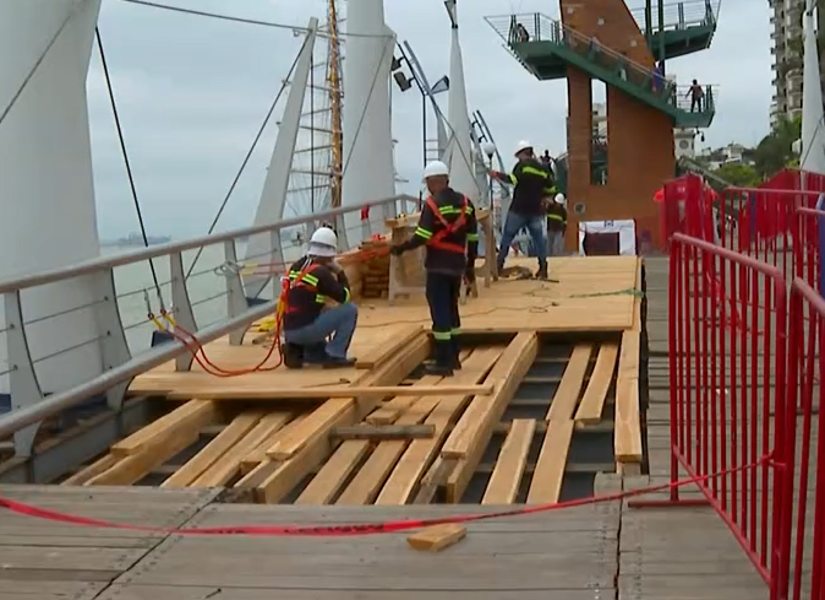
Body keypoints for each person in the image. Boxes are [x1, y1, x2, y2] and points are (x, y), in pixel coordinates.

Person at [390, 160, 478, 376]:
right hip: (457, 265)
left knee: (439, 313)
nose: (428, 187)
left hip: (438, 265)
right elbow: (473, 237)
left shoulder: (432, 204)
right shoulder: (466, 203)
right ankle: (455, 356)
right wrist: (470, 266)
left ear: (432, 181)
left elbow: (422, 236)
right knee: (452, 308)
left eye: (428, 183)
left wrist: (401, 248)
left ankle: (443, 361)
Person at [281, 227, 357, 369]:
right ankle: (336, 355)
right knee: (350, 310)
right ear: (329, 255)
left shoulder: (296, 266)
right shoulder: (321, 273)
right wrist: (340, 273)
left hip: (289, 330)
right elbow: (345, 297)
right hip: (306, 330)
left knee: (318, 311)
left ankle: (300, 351)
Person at [490, 140, 555, 279]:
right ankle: (543, 268)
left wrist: (497, 175)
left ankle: (498, 266)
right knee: (539, 240)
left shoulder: (522, 166)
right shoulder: (542, 168)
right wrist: (544, 199)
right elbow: (550, 188)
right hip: (535, 210)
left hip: (518, 209)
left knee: (507, 238)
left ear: (521, 154)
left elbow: (513, 180)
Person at [546, 193, 568, 257]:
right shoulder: (550, 208)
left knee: (557, 245)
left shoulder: (563, 211)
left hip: (559, 230)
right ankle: (549, 256)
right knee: (549, 244)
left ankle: (557, 257)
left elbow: (565, 222)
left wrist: (563, 230)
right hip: (550, 229)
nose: (558, 205)